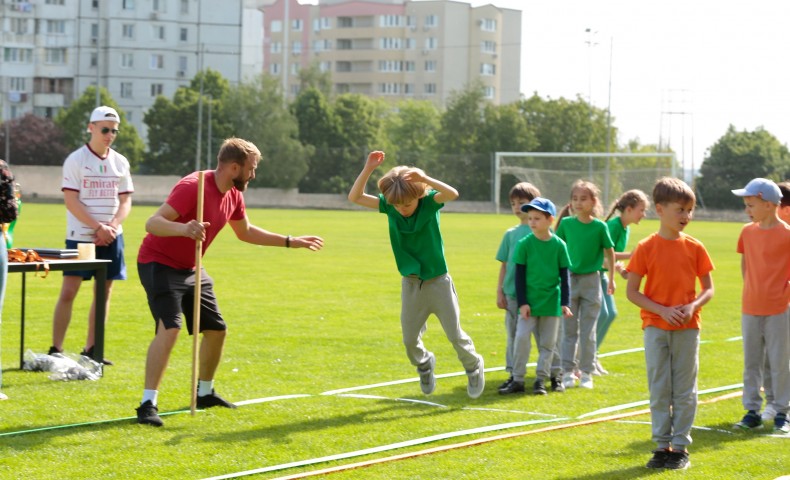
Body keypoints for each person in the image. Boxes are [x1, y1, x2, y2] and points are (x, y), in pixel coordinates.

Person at [135, 137, 324, 427]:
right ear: (235, 167)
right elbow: (153, 223)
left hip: (191, 267)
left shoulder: (234, 194)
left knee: (216, 329)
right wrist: (184, 228)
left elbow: (245, 232)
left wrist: (290, 241)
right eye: (252, 168)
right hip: (158, 263)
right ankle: (148, 404)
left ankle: (205, 393)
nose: (253, 174)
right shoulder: (193, 187)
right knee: (170, 328)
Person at [348, 151, 485, 399]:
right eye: (397, 205)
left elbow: (452, 193)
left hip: (439, 282)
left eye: (407, 204)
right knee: (409, 340)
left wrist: (425, 179)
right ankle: (424, 364)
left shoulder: (430, 203)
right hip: (411, 285)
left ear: (419, 195)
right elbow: (355, 197)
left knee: (454, 334)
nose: (402, 209)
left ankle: (473, 365)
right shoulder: (390, 207)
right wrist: (368, 168)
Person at [626, 177, 714, 471]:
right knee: (659, 387)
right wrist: (661, 311)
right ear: (660, 209)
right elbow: (633, 292)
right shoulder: (645, 247)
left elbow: (708, 289)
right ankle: (662, 446)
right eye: (680, 210)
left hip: (688, 329)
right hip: (655, 328)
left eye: (689, 210)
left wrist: (692, 306)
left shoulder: (696, 247)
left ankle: (680, 448)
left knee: (685, 390)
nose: (686, 216)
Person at [50, 106, 133, 365]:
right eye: (105, 129)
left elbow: (125, 201)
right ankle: (56, 348)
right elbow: (71, 201)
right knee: (69, 290)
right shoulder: (76, 160)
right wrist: (98, 227)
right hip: (82, 237)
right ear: (91, 128)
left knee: (103, 292)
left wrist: (112, 227)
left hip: (111, 237)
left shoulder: (120, 162)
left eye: (114, 131)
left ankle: (92, 349)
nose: (110, 135)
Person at [730, 178, 790, 434]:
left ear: (768, 204)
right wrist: (752, 290)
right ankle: (752, 411)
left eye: (750, 204)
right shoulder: (747, 232)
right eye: (745, 205)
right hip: (750, 307)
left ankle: (782, 412)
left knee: (779, 362)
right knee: (752, 363)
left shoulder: (787, 234)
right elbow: (746, 264)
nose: (747, 210)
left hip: (779, 309)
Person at [499, 197, 572, 395]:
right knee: (521, 338)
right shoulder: (524, 244)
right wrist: (522, 303)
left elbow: (564, 277)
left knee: (548, 344)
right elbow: (519, 277)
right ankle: (518, 379)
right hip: (529, 304)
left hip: (551, 303)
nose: (532, 222)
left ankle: (541, 379)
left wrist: (565, 303)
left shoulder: (559, 245)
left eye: (537, 218)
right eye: (530, 218)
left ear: (550, 220)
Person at [555, 180, 615, 390]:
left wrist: (612, 279)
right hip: (569, 281)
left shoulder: (600, 227)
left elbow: (610, 253)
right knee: (569, 330)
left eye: (583, 199)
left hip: (592, 281)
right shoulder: (566, 224)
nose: (578, 203)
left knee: (588, 331)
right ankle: (567, 371)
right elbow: (556, 249)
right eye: (575, 199)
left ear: (593, 202)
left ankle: (587, 372)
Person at [594, 189, 650, 375]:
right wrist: (631, 255)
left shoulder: (625, 228)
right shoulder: (614, 226)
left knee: (610, 313)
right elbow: (603, 253)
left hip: (602, 275)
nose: (644, 214)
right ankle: (586, 356)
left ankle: (592, 355)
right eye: (641, 210)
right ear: (629, 209)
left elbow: (612, 259)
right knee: (603, 314)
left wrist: (622, 270)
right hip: (592, 274)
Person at [494, 181, 540, 391]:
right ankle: (514, 373)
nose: (516, 207)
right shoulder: (510, 234)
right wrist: (500, 291)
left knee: (544, 337)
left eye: (521, 202)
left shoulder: (542, 233)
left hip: (538, 294)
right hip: (513, 294)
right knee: (513, 334)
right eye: (513, 203)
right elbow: (504, 265)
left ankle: (550, 372)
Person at [762, 181, 790, 422]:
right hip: (768, 306)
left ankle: (780, 404)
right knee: (768, 356)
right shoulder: (764, 233)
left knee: (780, 357)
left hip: (783, 305)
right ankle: (773, 402)